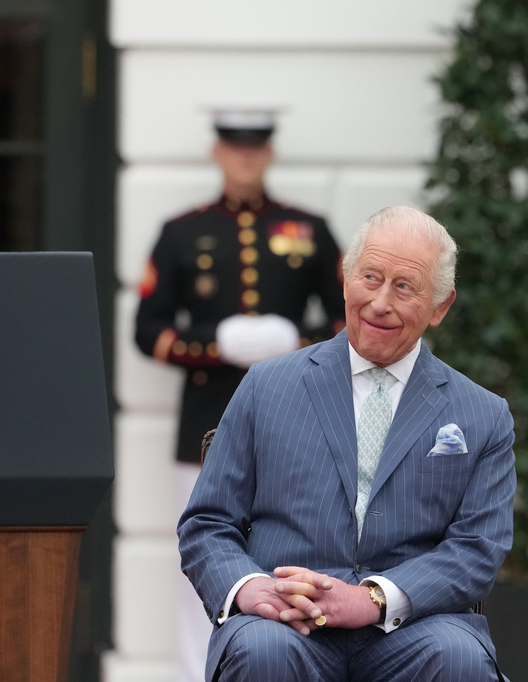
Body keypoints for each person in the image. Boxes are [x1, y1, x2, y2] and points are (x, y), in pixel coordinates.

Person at [177, 205, 516, 681]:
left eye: (404, 286)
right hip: (285, 622)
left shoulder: (483, 414)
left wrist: (371, 599)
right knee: (261, 653)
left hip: (415, 630)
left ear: (440, 306)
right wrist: (250, 588)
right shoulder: (265, 387)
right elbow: (208, 522)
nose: (380, 302)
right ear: (345, 279)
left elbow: (478, 547)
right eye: (371, 278)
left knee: (458, 659)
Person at [135, 109, 345, 682]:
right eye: (234, 148)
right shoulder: (182, 232)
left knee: (292, 556)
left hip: (297, 420)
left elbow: (348, 320)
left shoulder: (310, 228)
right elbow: (147, 330)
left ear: (269, 153)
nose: (245, 157)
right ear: (218, 153)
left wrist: (292, 342)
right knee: (200, 566)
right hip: (207, 418)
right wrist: (216, 344)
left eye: (255, 148)